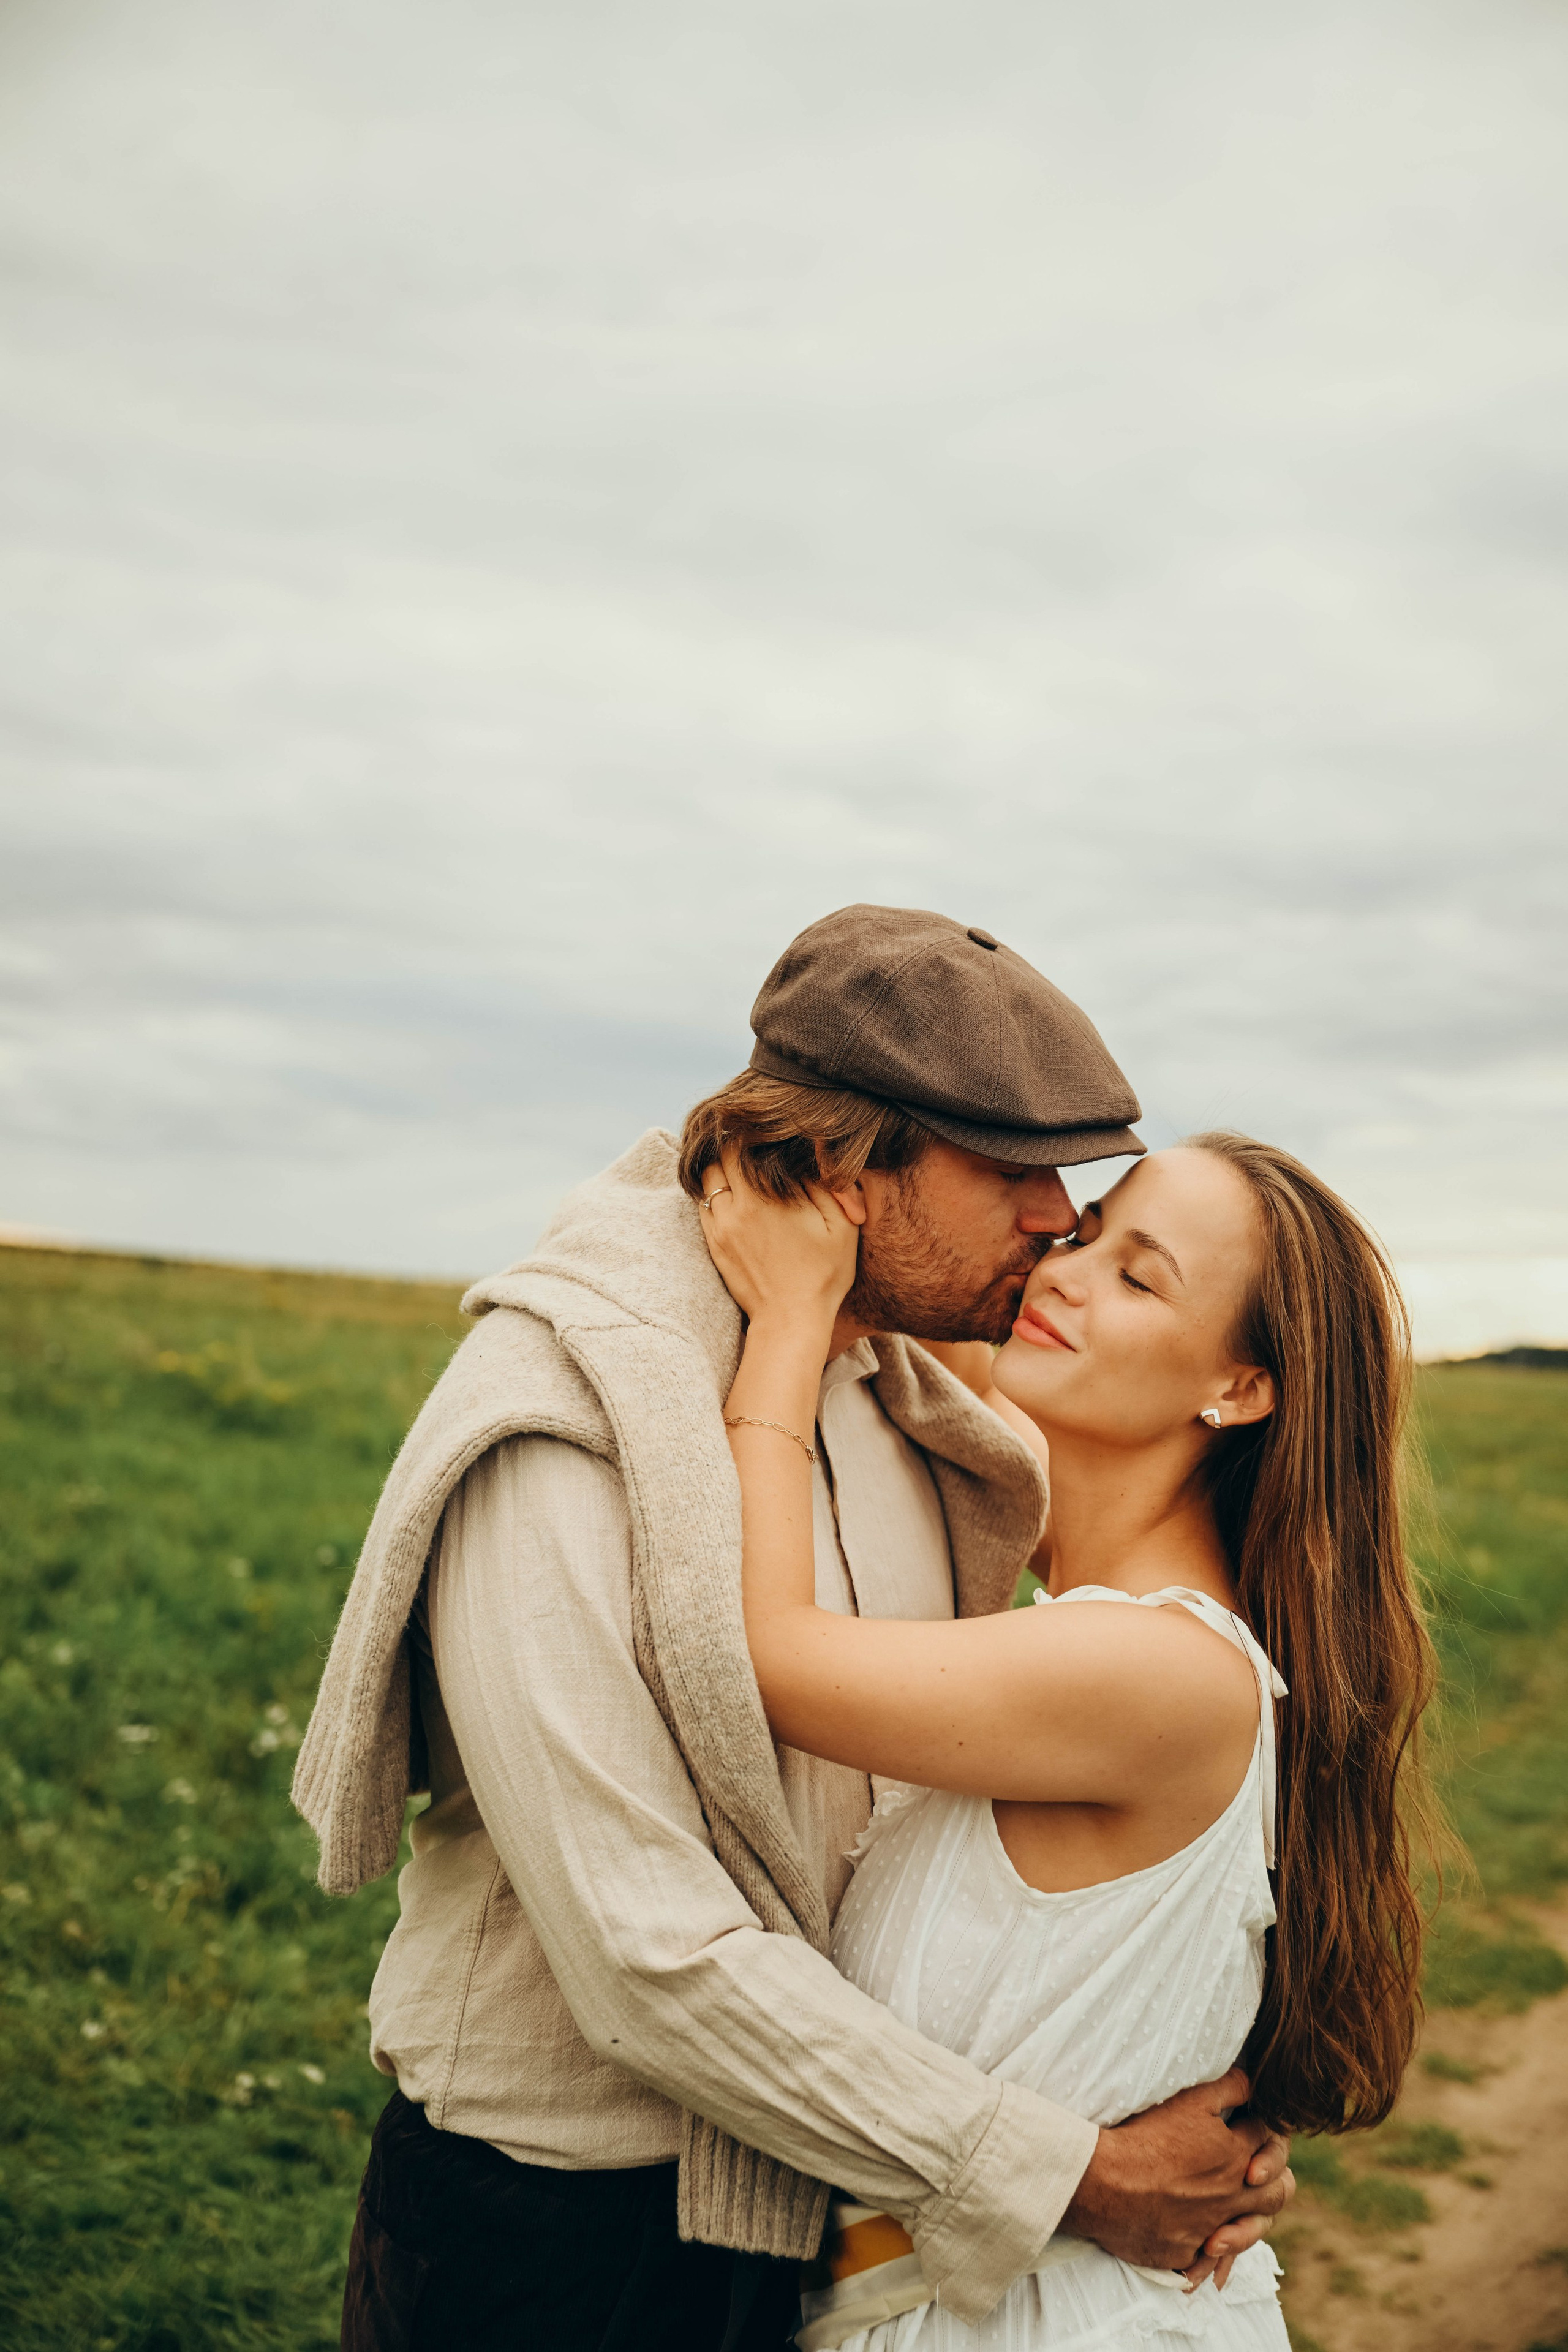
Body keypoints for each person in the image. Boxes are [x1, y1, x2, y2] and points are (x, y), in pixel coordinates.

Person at [293, 905, 1294, 2352]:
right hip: (564, 2248)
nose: (1055, 1220)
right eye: (1010, 1171)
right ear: (837, 1165)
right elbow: (651, 1962)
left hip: (828, 2215)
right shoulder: (562, 1428)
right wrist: (1063, 2172)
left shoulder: (896, 1389)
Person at [697, 1126, 1436, 2349]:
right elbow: (940, 1321)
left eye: (1140, 1277)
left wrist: (786, 1317)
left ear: (1240, 1389)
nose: (1064, 1274)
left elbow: (765, 1656)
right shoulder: (1100, 1624)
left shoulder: (1150, 1669)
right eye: (1086, 1234)